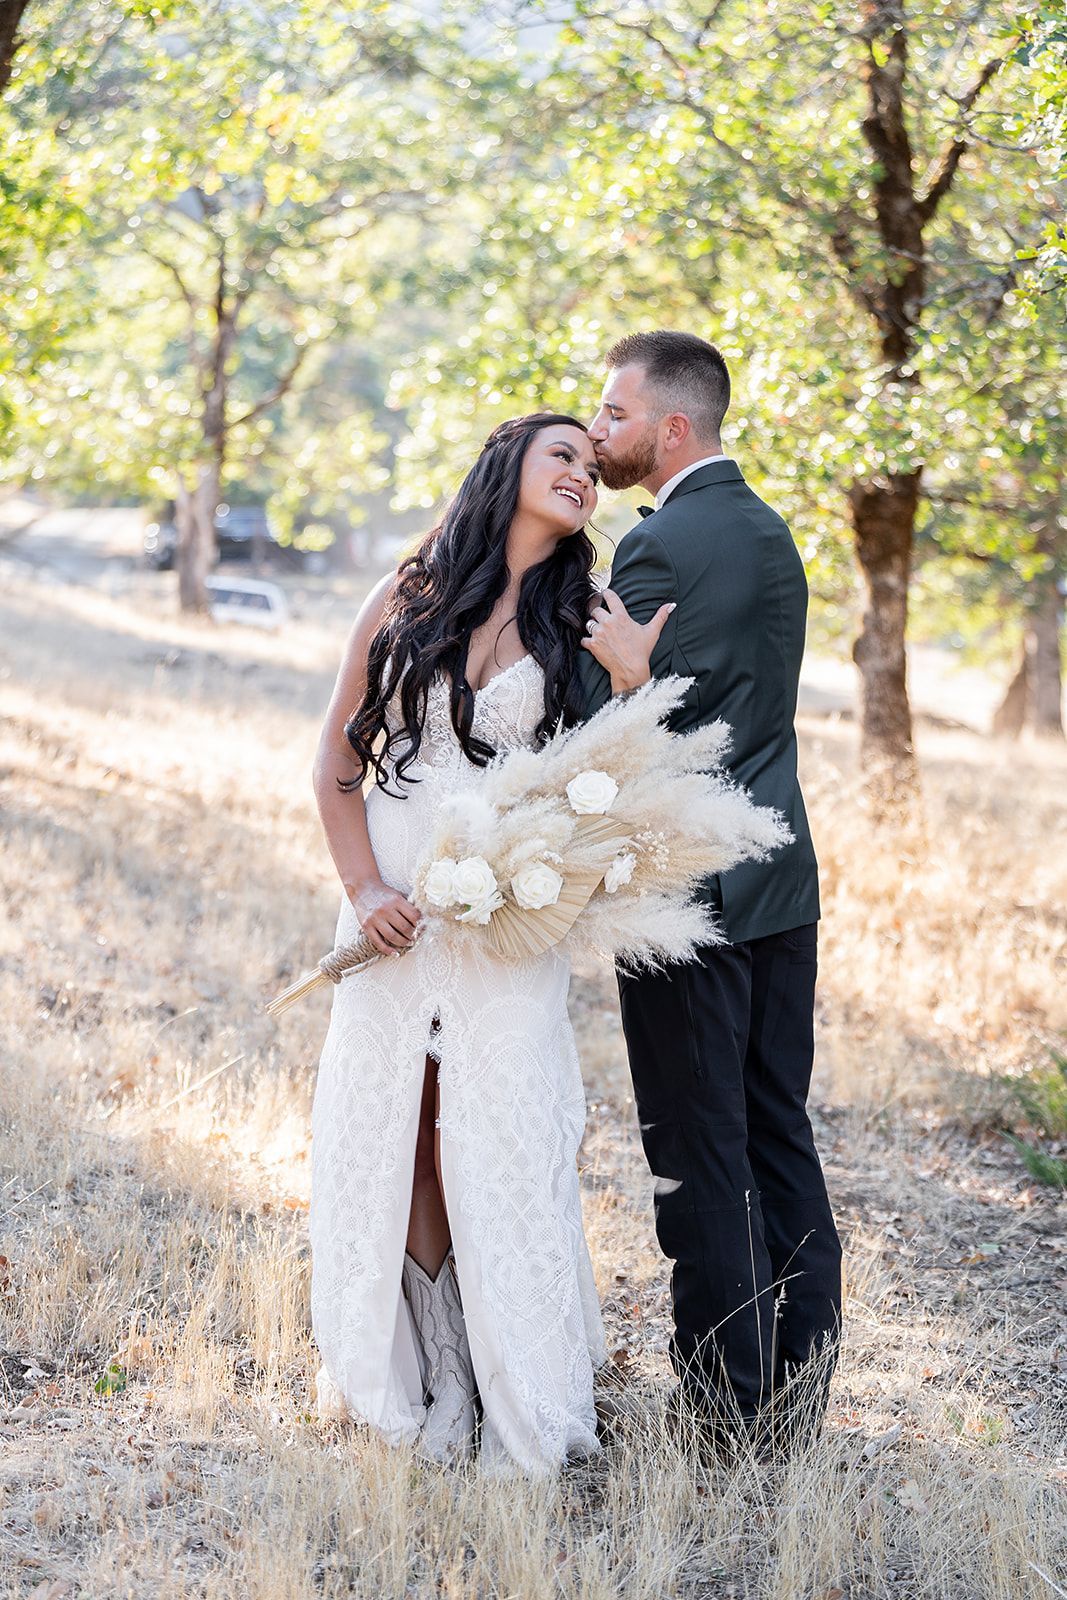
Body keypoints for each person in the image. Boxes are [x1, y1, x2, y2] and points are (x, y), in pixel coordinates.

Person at [309, 413, 671, 1475]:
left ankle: (518, 1375)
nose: (581, 476)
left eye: (590, 469)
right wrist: (363, 885)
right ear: (505, 466)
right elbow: (334, 762)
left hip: (507, 914)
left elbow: (616, 785)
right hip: (391, 906)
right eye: (561, 454)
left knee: (498, 1129)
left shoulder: (585, 617)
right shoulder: (406, 594)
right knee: (402, 1126)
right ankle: (434, 1379)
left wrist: (633, 682)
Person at [579, 330, 842, 1454]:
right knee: (778, 1129)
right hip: (781, 878)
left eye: (613, 415)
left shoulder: (656, 551)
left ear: (669, 428)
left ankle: (718, 1412)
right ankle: (795, 1386)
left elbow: (619, 735)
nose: (599, 433)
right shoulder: (769, 533)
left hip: (685, 887)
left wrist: (626, 683)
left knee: (698, 1147)